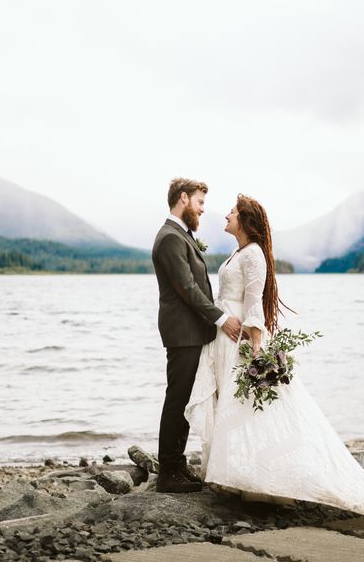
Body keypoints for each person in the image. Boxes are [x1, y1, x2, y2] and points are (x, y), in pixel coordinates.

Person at [184, 194, 364, 531]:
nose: (226, 214)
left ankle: (263, 481)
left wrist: (256, 351)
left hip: (241, 341)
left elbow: (254, 304)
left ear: (246, 221)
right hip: (225, 340)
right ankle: (242, 475)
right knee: (236, 409)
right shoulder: (238, 253)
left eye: (233, 211)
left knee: (252, 411)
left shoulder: (253, 255)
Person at [151, 178, 243, 493]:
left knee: (187, 397)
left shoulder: (180, 235)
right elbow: (187, 288)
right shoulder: (170, 238)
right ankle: (168, 472)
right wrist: (221, 318)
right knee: (177, 399)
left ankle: (177, 466)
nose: (203, 210)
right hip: (183, 332)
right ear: (183, 198)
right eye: (200, 203)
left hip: (192, 332)